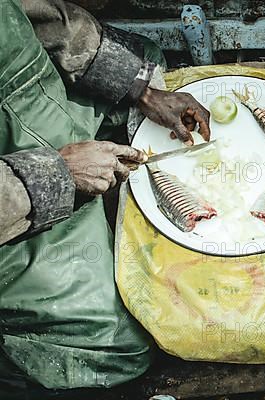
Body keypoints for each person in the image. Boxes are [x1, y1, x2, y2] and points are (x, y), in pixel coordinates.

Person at [0, 0, 211, 396]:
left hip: (35, 97)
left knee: (145, 59)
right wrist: (54, 175)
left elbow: (37, 16)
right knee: (117, 349)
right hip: (14, 209)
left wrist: (140, 88)